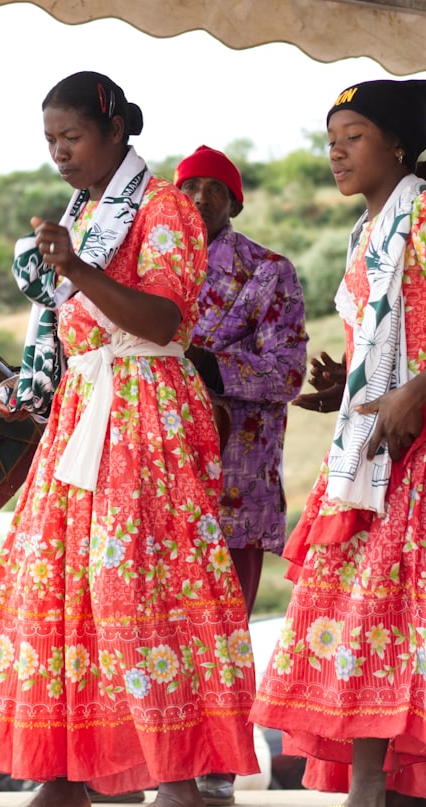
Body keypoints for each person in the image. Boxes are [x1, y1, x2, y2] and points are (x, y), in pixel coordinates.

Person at [0, 71, 260, 807]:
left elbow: (162, 321)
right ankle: (67, 773)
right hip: (84, 407)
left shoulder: (164, 207)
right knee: (61, 585)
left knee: (142, 587)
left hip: (145, 408)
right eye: (50, 141)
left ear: (116, 130)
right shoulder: (86, 210)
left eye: (72, 137)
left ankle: (178, 776)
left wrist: (75, 267)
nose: (60, 153)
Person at [251, 78, 426, 807]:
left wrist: (413, 392)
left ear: (397, 145)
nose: (337, 151)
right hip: (375, 446)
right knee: (365, 616)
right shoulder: (365, 231)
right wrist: (351, 387)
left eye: (354, 136)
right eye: (331, 140)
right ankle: (366, 789)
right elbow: (391, 341)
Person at [174, 145, 306, 806]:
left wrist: (210, 367)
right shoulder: (149, 267)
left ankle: (217, 769)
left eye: (213, 188)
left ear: (235, 200)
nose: (199, 198)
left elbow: (288, 372)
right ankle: (161, 764)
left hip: (236, 484)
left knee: (223, 630)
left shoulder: (268, 271)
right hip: (159, 480)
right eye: (188, 187)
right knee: (156, 627)